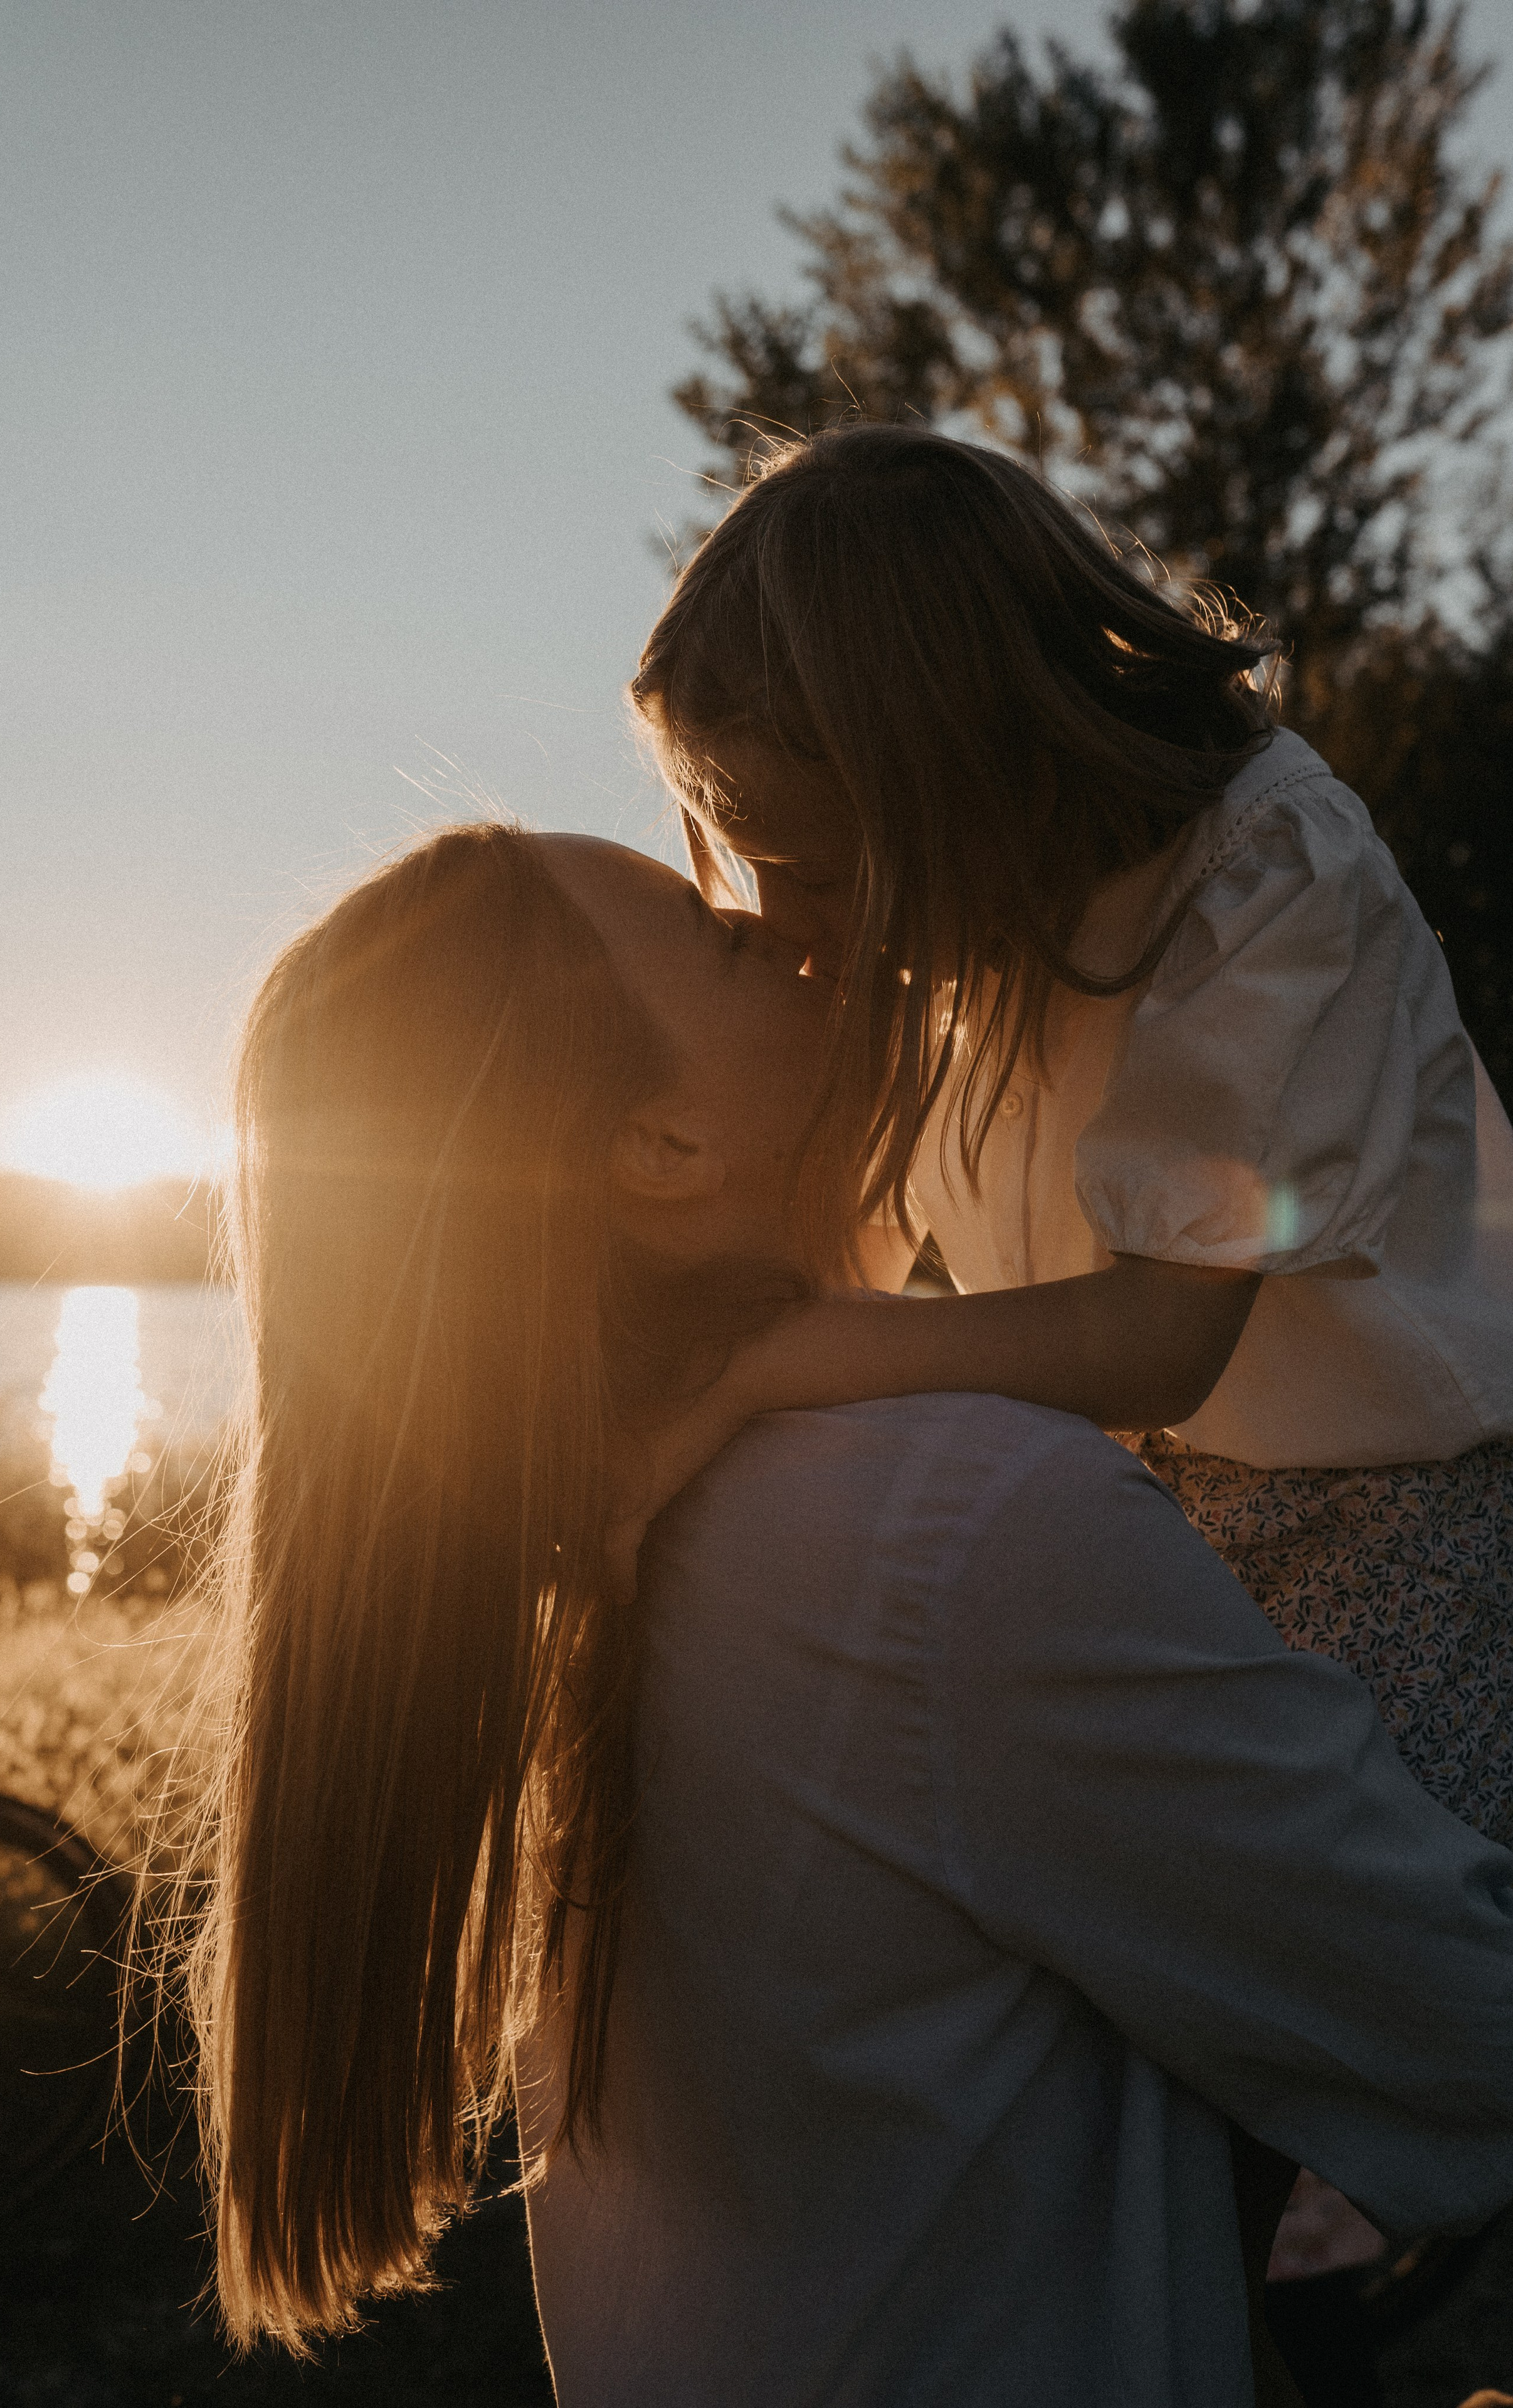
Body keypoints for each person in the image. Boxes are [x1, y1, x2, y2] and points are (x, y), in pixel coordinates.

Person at [164, 817, 1513, 2402]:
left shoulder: (550, 1561)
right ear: (659, 1148)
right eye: (731, 942)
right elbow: (1463, 2032)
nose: (817, 940)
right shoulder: (955, 1529)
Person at [625, 422, 1513, 1857]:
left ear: (963, 780)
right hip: (1146, 1526)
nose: (776, 924)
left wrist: (765, 1366)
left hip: (1387, 1529)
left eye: (811, 872)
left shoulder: (1261, 872)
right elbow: (863, 1267)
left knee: (1365, 1929)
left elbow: (1156, 1338)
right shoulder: (950, 942)